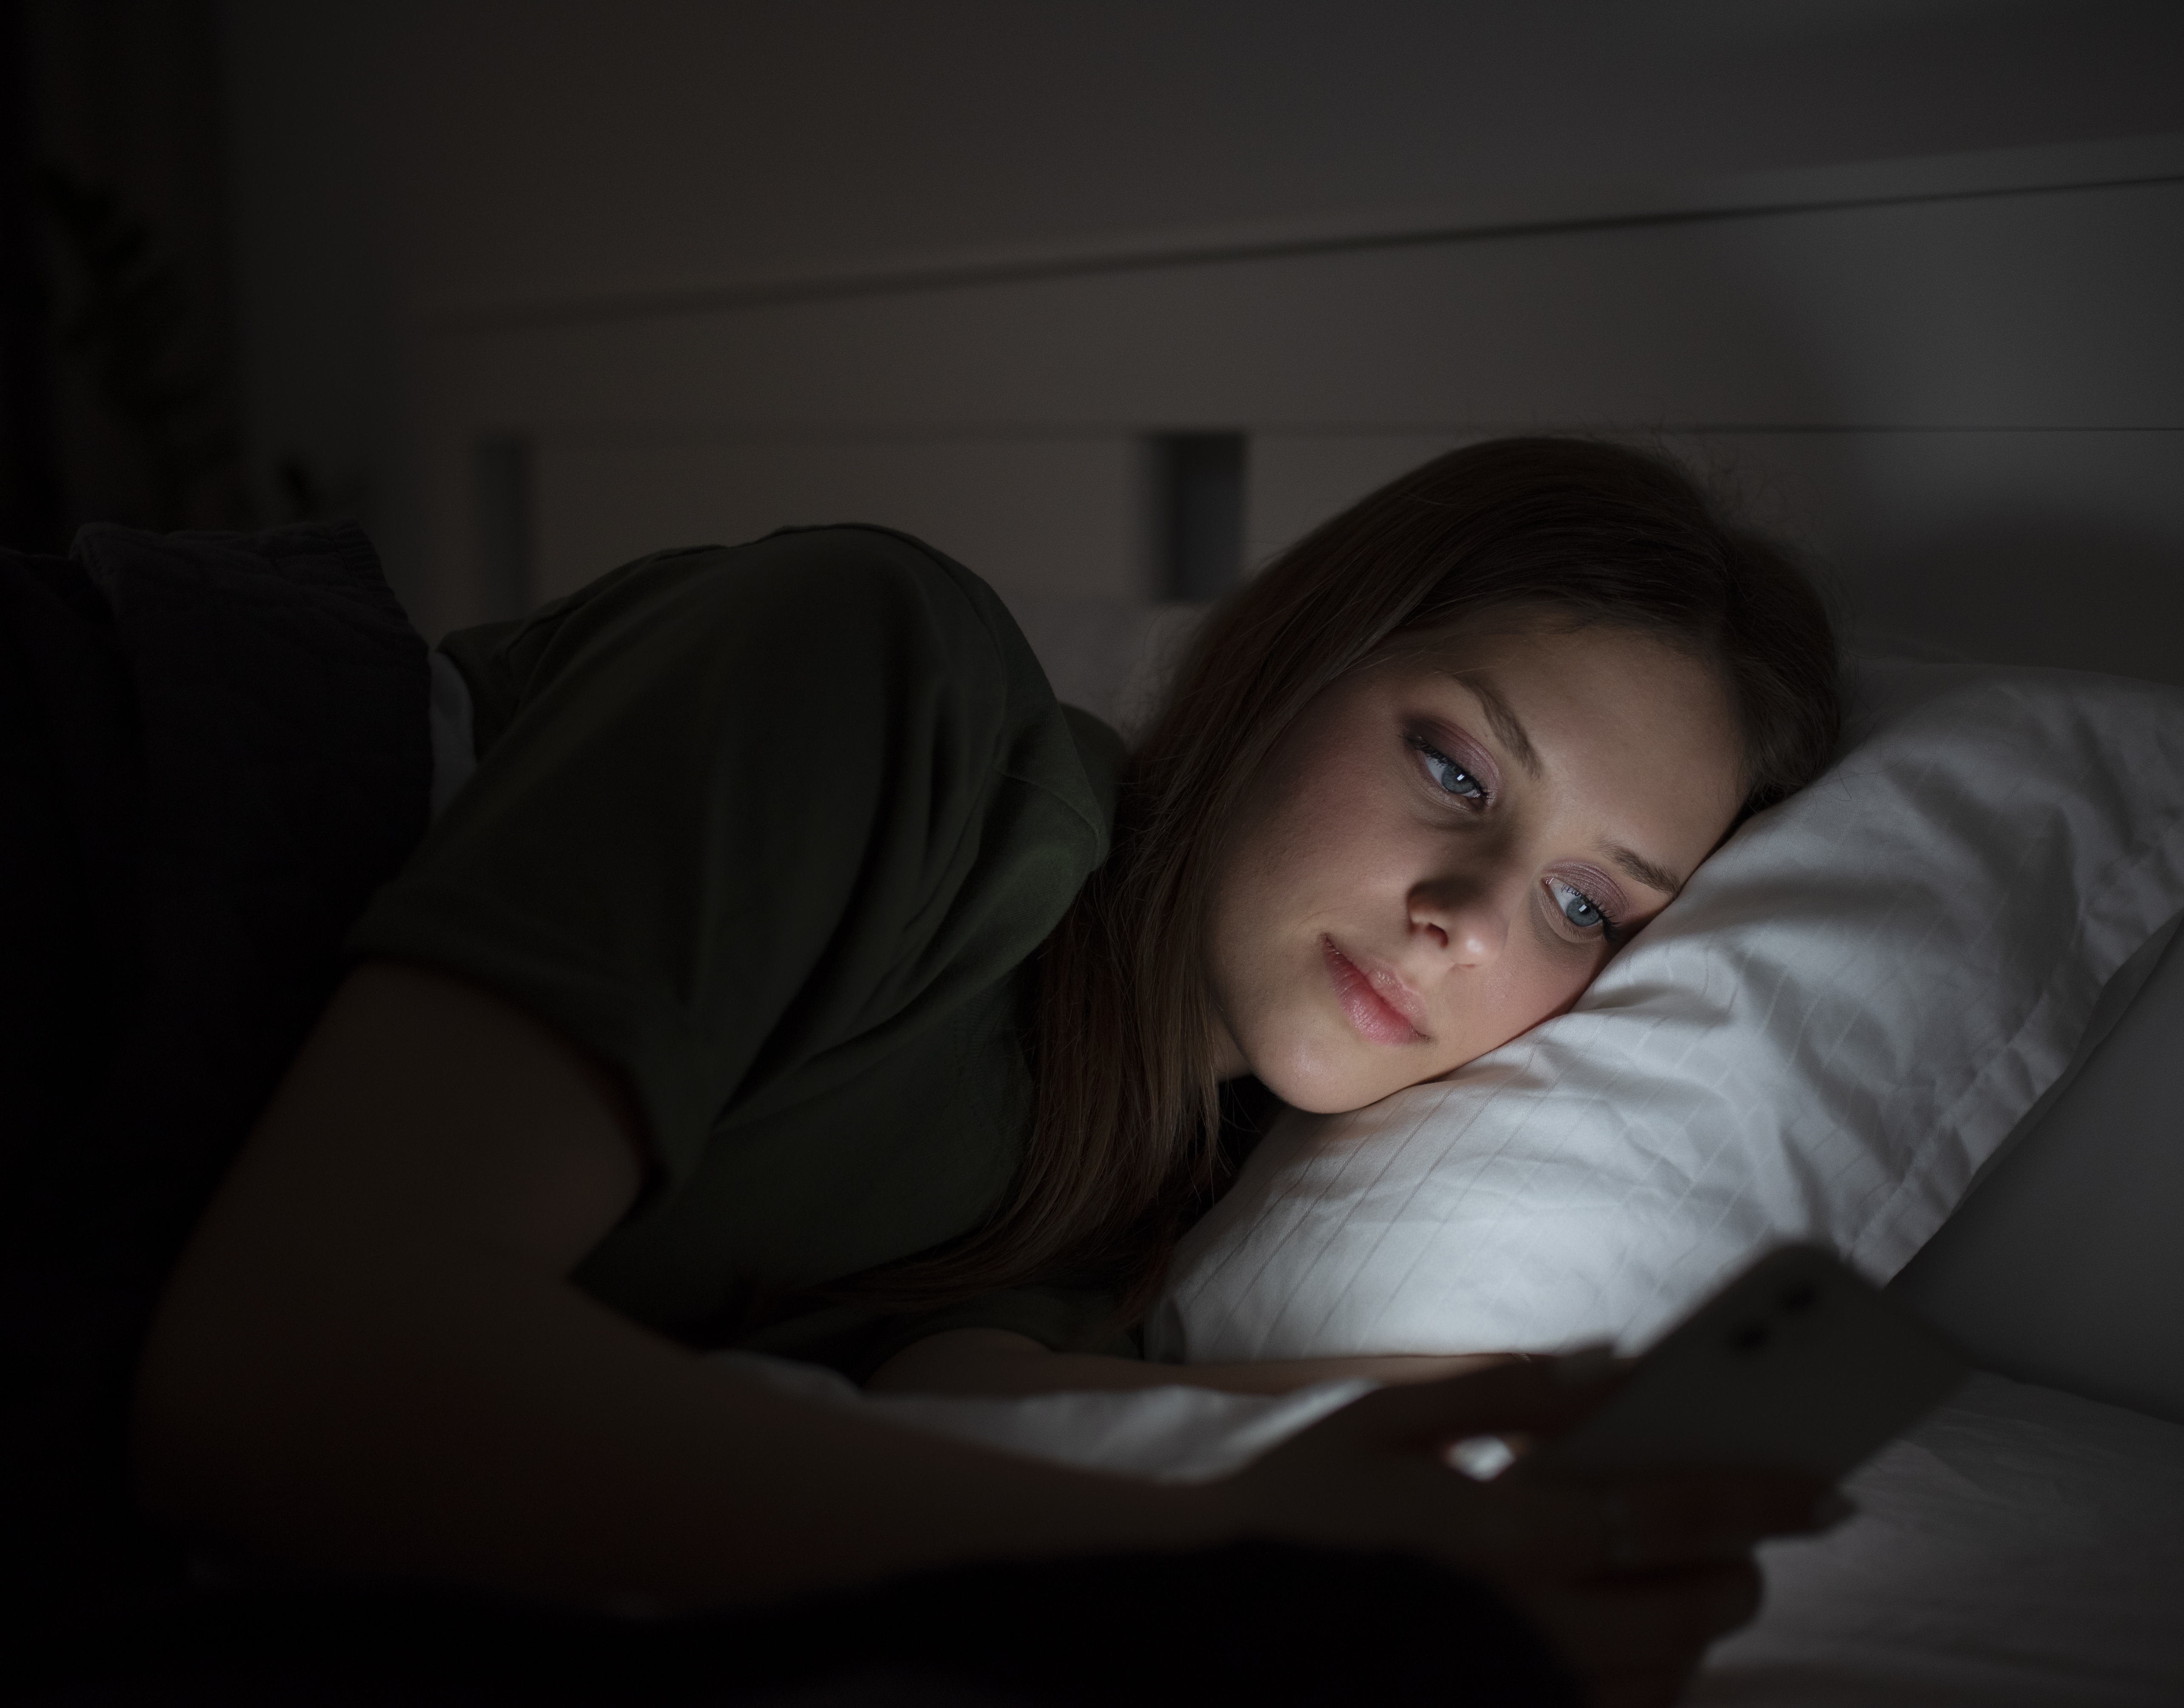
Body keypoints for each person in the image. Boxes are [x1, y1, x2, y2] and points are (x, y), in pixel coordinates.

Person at [122, 437, 1844, 1706]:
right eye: (1454, 764)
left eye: (1582, 904)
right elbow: (283, 1363)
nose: (1464, 917)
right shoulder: (884, 678)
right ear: (1292, 660)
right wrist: (1228, 1572)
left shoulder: (1109, 1206)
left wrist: (1555, 1417)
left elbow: (963, 1397)